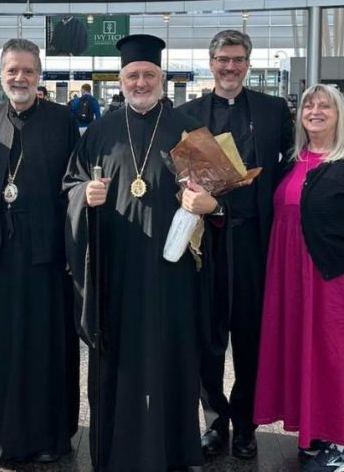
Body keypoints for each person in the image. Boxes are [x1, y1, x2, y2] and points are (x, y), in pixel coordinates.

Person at [64, 34, 213, 471]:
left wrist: (209, 202)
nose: (141, 82)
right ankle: (116, 447)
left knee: (173, 352)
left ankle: (175, 448)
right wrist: (83, 195)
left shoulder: (187, 129)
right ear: (121, 79)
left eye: (149, 74)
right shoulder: (102, 131)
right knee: (118, 354)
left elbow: (219, 195)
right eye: (133, 75)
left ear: (162, 78)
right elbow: (70, 186)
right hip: (117, 266)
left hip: (174, 266)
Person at [253, 83, 344, 472]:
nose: (315, 111)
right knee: (311, 357)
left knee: (342, 360)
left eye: (325, 107)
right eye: (309, 106)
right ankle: (316, 433)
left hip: (339, 278)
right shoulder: (292, 159)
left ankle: (340, 443)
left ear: (340, 116)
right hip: (295, 278)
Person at [175, 29, 294, 461]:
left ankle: (245, 425)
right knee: (207, 337)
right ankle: (214, 422)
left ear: (248, 63)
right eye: (223, 59)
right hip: (206, 243)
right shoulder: (187, 114)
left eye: (238, 60)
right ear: (211, 64)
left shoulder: (272, 109)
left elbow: (291, 164)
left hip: (253, 243)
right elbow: (175, 175)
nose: (230, 67)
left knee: (250, 337)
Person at [0, 39, 80, 463]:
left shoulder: (62, 120)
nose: (20, 78)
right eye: (12, 71)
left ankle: (51, 436)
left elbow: (74, 186)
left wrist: (75, 250)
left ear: (39, 75)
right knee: (1, 343)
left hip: (48, 256)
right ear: (1, 75)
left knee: (47, 344)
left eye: (28, 71)